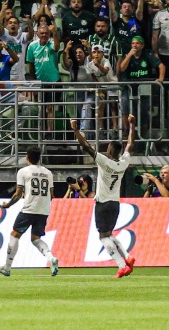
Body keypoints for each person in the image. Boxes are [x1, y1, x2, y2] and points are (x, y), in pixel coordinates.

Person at [70, 115, 136, 278]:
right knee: (110, 234)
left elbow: (86, 146)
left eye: (108, 148)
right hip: (115, 204)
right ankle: (127, 257)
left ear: (111, 150)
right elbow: (130, 144)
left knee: (103, 236)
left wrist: (75, 130)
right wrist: (132, 124)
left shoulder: (104, 161)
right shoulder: (123, 163)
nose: (106, 149)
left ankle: (121, 265)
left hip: (102, 203)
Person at [0, 146, 59, 277]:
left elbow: (18, 194)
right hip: (44, 210)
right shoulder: (48, 173)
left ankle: (7, 268)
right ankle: (51, 257)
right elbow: (52, 194)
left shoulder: (23, 172)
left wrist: (8, 205)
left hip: (29, 209)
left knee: (15, 234)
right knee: (36, 238)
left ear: (27, 157)